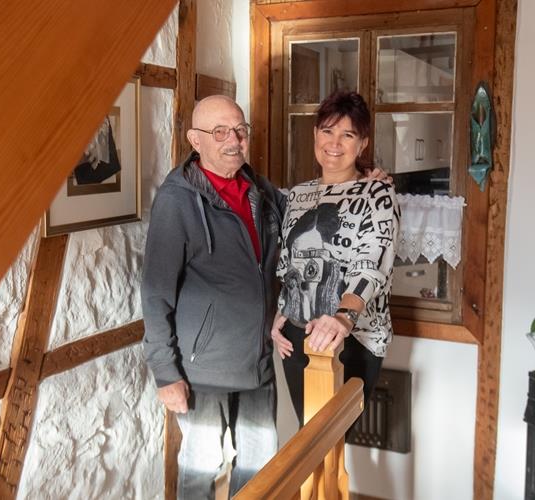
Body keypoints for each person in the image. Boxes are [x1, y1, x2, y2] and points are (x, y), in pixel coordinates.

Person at [141, 95, 284, 499]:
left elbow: (303, 216)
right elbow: (155, 292)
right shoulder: (177, 200)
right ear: (196, 140)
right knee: (200, 471)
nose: (233, 139)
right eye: (219, 131)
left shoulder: (259, 190)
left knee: (260, 469)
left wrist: (358, 179)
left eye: (240, 129)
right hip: (202, 369)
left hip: (257, 362)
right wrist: (165, 373)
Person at [270, 91, 400, 425]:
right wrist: (281, 312)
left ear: (363, 144)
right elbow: (288, 264)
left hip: (351, 336)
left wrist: (343, 318)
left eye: (348, 134)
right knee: (307, 436)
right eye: (327, 131)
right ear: (315, 135)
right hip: (297, 336)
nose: (334, 143)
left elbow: (371, 264)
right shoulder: (298, 195)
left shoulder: (378, 193)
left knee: (329, 438)